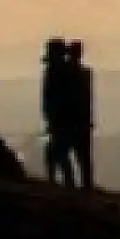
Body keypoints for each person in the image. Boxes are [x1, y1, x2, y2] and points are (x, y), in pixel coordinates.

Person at [40, 38, 76, 186]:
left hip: (61, 120)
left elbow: (52, 98)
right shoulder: (63, 72)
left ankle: (60, 181)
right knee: (58, 152)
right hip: (61, 120)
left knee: (57, 152)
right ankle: (63, 182)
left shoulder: (56, 73)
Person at [63, 39, 96, 190]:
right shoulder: (85, 73)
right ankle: (85, 185)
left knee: (66, 155)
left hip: (68, 121)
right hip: (79, 121)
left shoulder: (62, 74)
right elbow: (88, 99)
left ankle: (71, 185)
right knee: (83, 157)